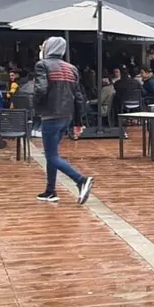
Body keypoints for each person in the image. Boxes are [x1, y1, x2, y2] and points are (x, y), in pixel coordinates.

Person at [33, 37, 93, 205]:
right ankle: (50, 190)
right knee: (53, 154)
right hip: (66, 116)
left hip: (50, 115)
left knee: (51, 155)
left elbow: (41, 89)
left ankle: (80, 180)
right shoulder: (71, 68)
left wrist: (36, 106)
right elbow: (78, 97)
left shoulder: (42, 65)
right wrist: (78, 122)